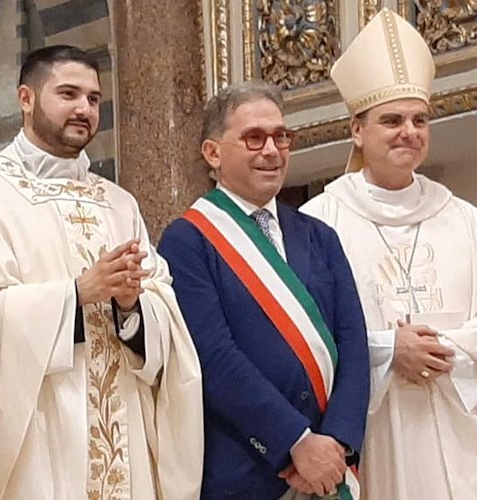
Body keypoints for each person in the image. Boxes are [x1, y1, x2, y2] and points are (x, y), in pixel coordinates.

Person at [0, 45, 203, 500]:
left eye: (94, 99)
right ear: (26, 98)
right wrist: (75, 294)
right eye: (68, 94)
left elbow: (167, 317)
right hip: (39, 434)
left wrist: (131, 306)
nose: (84, 108)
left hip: (124, 430)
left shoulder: (120, 203)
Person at [158, 81, 370, 499]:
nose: (272, 150)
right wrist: (294, 441)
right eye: (254, 138)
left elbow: (353, 345)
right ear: (213, 153)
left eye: (281, 136)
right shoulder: (187, 240)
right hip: (246, 469)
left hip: (330, 468)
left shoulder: (319, 236)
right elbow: (214, 357)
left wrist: (338, 443)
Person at [300, 8, 477, 500]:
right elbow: (309, 336)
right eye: (392, 120)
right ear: (357, 130)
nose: (410, 131)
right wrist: (387, 350)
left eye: (420, 120)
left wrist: (444, 350)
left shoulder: (465, 217)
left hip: (462, 429)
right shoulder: (319, 222)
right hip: (374, 432)